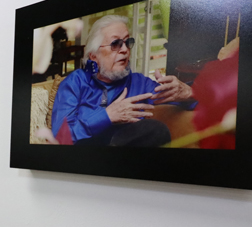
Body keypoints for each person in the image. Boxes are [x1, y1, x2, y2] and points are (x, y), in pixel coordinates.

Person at [51, 15, 195, 146]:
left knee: (155, 130)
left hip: (126, 164)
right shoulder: (75, 82)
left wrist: (188, 93)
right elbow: (61, 137)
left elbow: (197, 104)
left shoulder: (140, 83)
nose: (125, 49)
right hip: (84, 163)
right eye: (116, 44)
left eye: (128, 42)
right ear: (93, 55)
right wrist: (107, 116)